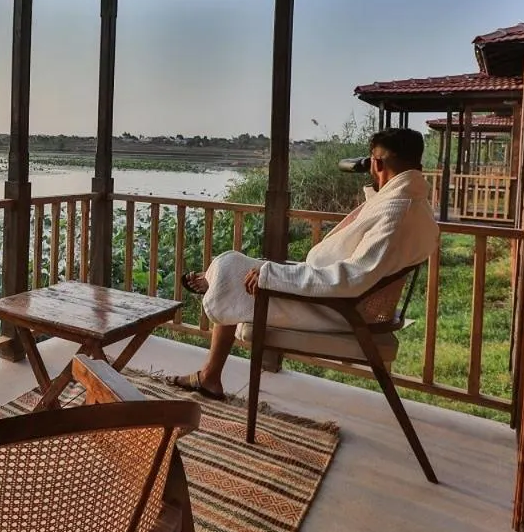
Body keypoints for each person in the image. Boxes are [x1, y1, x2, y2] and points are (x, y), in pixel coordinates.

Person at [167, 127, 440, 399]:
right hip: (340, 300)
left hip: (337, 309)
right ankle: (211, 356)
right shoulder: (413, 205)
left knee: (232, 271)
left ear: (377, 163)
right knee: (236, 269)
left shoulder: (397, 213)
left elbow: (352, 279)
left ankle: (215, 292)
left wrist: (272, 276)